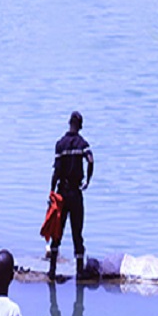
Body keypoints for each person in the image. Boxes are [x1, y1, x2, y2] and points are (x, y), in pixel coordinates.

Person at [48, 111, 94, 281]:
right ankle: (79, 272)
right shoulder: (82, 144)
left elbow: (56, 171)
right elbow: (90, 160)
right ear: (80, 125)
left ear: (69, 123)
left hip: (62, 193)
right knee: (77, 233)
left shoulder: (60, 144)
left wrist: (52, 192)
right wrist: (87, 181)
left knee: (57, 232)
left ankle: (52, 270)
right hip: (76, 193)